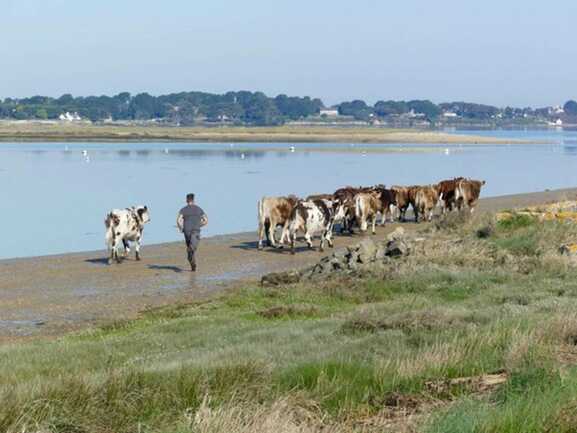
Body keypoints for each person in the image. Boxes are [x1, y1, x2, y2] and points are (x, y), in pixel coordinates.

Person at [177, 193, 208, 271]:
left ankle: (193, 265)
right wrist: (200, 225)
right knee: (192, 247)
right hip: (195, 230)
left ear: (186, 200)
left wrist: (181, 228)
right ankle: (191, 253)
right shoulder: (198, 209)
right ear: (193, 200)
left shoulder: (183, 209)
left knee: (190, 251)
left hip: (186, 231)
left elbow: (178, 220)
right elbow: (206, 220)